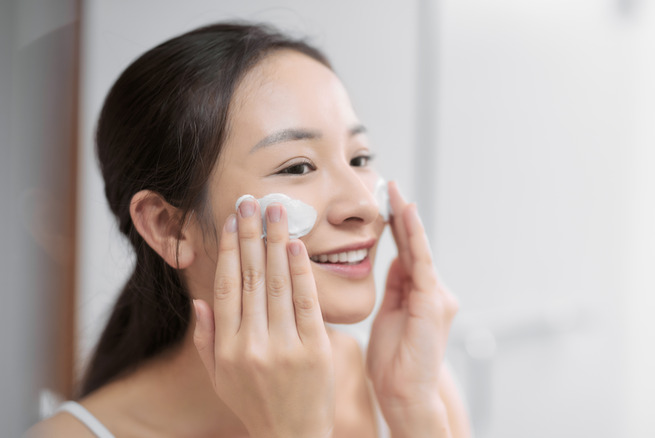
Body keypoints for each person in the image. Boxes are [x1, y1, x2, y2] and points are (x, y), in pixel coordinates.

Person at [28, 22, 469, 437]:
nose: (364, 208)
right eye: (298, 166)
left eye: (359, 159)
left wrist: (412, 411)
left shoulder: (409, 386)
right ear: (169, 227)